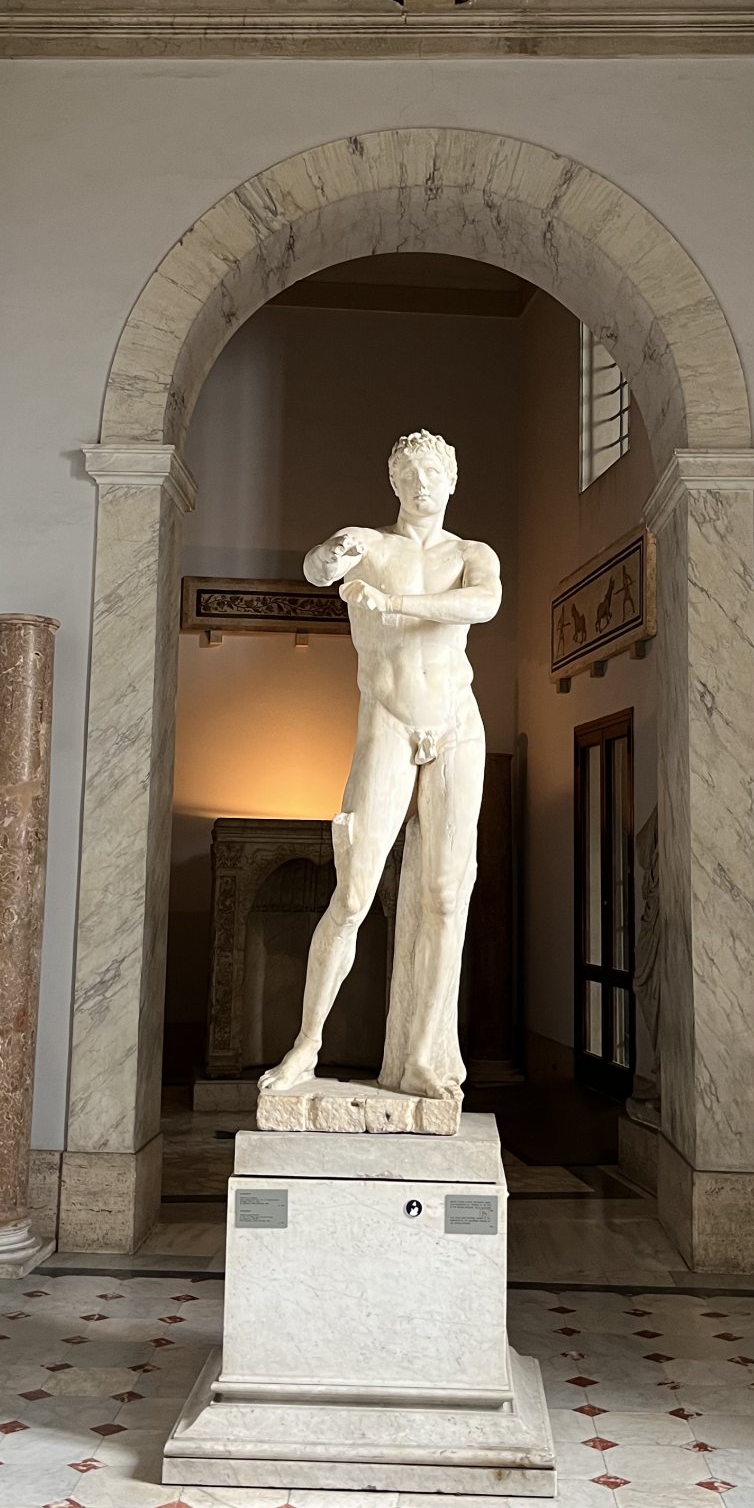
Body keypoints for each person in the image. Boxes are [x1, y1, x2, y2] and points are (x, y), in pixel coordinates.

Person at [259, 430, 501, 1103]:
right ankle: (306, 1046)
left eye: (433, 473)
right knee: (354, 894)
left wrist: (394, 606)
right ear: (393, 482)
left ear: (452, 481)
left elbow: (483, 604)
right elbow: (317, 568)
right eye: (410, 473)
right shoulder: (371, 543)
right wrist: (333, 555)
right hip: (389, 720)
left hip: (456, 725)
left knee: (447, 896)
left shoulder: (472, 554)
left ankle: (421, 1056)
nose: (422, 484)